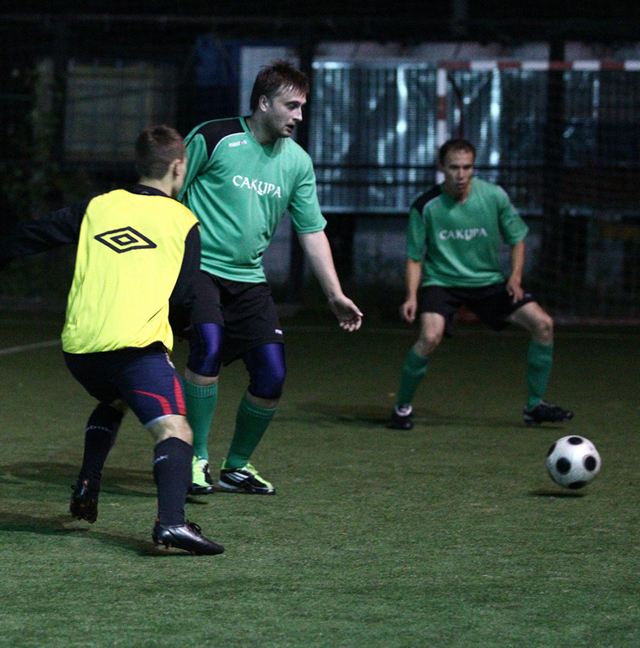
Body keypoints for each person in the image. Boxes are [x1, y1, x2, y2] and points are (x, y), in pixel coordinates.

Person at [0, 125, 223, 555]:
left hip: (80, 350)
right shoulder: (183, 220)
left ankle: (87, 481)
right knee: (175, 428)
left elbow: (34, 233)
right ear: (179, 168)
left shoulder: (97, 207)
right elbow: (184, 297)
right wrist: (173, 338)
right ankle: (171, 523)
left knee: (116, 398)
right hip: (133, 349)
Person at [178, 59, 363, 496]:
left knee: (271, 375)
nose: (299, 116)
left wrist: (334, 294)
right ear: (263, 103)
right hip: (200, 269)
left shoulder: (297, 162)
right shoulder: (214, 137)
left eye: (302, 107)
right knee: (208, 345)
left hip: (249, 279)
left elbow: (311, 230)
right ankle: (194, 458)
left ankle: (236, 466)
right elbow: (167, 192)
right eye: (291, 106)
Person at [388, 138, 573, 430]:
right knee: (430, 337)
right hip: (442, 282)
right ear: (441, 168)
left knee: (543, 324)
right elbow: (414, 258)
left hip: (489, 282)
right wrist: (411, 296)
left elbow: (517, 240)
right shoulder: (425, 206)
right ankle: (401, 408)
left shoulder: (494, 196)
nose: (461, 175)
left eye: (467, 167)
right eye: (454, 168)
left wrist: (515, 277)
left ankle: (534, 406)